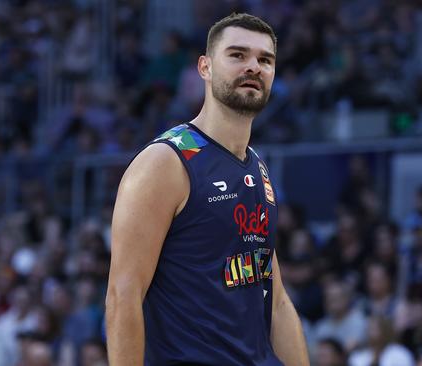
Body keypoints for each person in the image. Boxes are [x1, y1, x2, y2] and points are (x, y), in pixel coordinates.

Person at [105, 12, 309, 366]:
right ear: (205, 67)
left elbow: (276, 303)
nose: (253, 67)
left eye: (265, 60)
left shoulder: (257, 166)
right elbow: (123, 297)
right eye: (237, 55)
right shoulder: (165, 162)